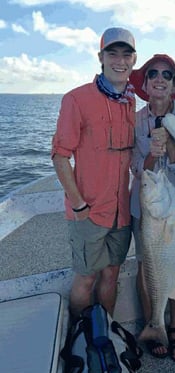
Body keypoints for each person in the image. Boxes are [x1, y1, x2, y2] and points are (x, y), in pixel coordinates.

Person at [51, 27, 137, 319]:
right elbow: (60, 156)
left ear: (134, 60)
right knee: (86, 278)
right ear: (101, 57)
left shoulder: (132, 102)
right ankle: (79, 333)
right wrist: (79, 205)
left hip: (121, 214)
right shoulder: (76, 99)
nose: (120, 60)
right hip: (88, 211)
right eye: (112, 53)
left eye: (127, 54)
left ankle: (107, 333)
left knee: (111, 276)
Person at [129, 54, 175, 361]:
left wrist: (169, 145)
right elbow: (135, 166)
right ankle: (152, 322)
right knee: (147, 267)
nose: (159, 79)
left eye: (167, 75)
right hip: (147, 208)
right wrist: (152, 155)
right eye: (152, 73)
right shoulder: (134, 119)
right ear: (144, 83)